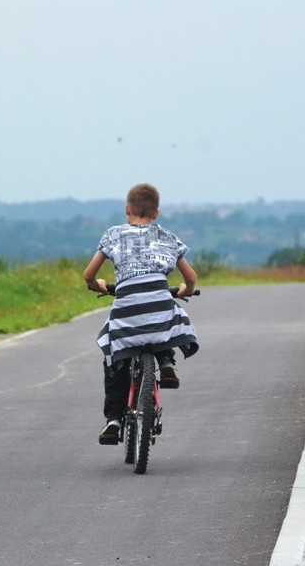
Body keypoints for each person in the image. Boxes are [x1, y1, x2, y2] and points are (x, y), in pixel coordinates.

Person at [83, 183, 199, 445]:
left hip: (127, 306)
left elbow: (88, 274)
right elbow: (190, 277)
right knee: (166, 321)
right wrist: (185, 290)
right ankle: (167, 362)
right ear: (156, 213)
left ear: (127, 209)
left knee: (114, 355)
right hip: (159, 298)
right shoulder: (168, 237)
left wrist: (96, 285)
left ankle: (113, 419)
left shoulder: (113, 235)